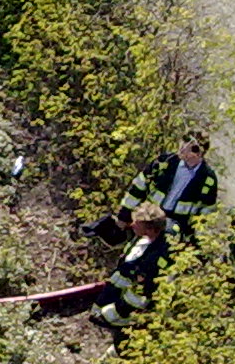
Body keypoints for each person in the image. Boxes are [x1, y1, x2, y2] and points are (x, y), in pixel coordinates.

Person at [82, 134, 220, 243]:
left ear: (198, 152)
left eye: (187, 147)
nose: (181, 149)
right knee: (132, 252)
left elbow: (206, 215)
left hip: (174, 228)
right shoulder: (165, 162)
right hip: (148, 217)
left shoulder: (207, 179)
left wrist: (193, 239)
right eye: (182, 144)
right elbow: (138, 187)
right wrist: (124, 214)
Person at [90, 202, 171, 330]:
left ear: (149, 229)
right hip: (118, 293)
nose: (132, 224)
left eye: (136, 223)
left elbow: (138, 297)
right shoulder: (143, 239)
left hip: (127, 312)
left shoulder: (153, 261)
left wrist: (112, 313)